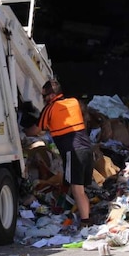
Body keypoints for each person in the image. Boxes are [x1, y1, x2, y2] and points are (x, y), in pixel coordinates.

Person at [23, 79, 95, 226]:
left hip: (73, 151)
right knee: (81, 188)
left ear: (50, 95)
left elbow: (36, 130)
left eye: (44, 96)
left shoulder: (49, 109)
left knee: (77, 189)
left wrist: (21, 132)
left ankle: (86, 222)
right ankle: (88, 215)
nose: (43, 99)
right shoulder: (74, 102)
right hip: (87, 149)